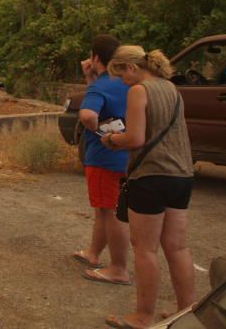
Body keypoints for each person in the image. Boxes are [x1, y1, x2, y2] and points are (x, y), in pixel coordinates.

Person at [101, 46, 195, 329]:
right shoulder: (170, 88)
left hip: (151, 175)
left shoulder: (139, 91)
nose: (122, 82)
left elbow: (136, 138)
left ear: (130, 68)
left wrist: (112, 140)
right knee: (177, 247)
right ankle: (186, 311)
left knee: (145, 249)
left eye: (121, 75)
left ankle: (143, 316)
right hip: (182, 174)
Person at [72, 34, 131, 285]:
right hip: (126, 155)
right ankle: (93, 253)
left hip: (103, 157)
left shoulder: (102, 85)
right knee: (103, 209)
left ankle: (119, 268)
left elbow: (87, 114)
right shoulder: (128, 82)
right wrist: (90, 78)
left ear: (96, 57)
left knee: (110, 211)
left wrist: (99, 130)